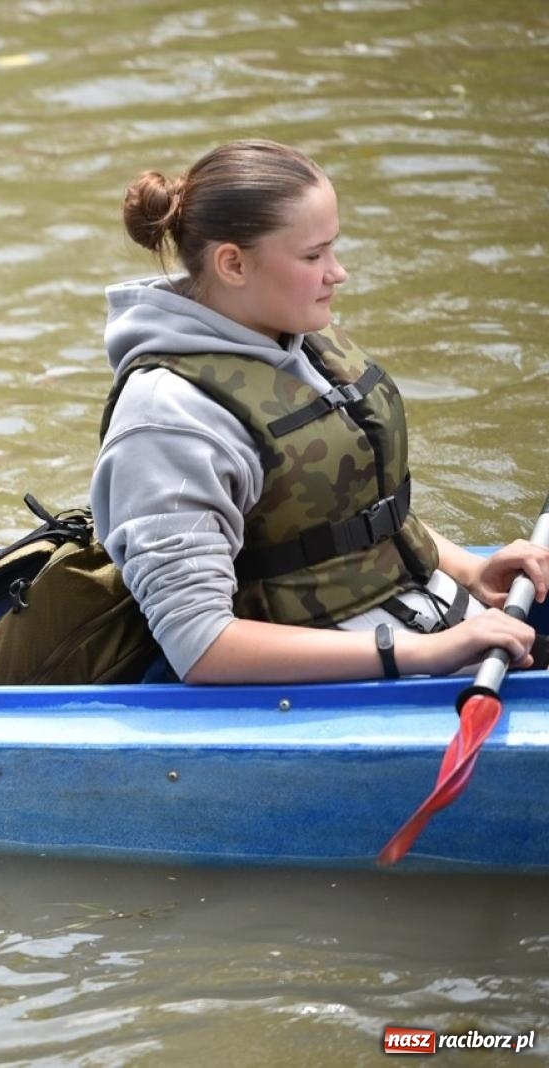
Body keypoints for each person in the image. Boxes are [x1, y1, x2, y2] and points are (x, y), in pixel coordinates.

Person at [93, 138, 548, 684]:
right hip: (341, 688)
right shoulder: (169, 420)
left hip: (442, 628)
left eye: (333, 248)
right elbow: (201, 644)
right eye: (313, 256)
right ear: (233, 264)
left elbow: (348, 514)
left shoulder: (295, 342)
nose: (339, 273)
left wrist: (472, 570)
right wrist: (420, 653)